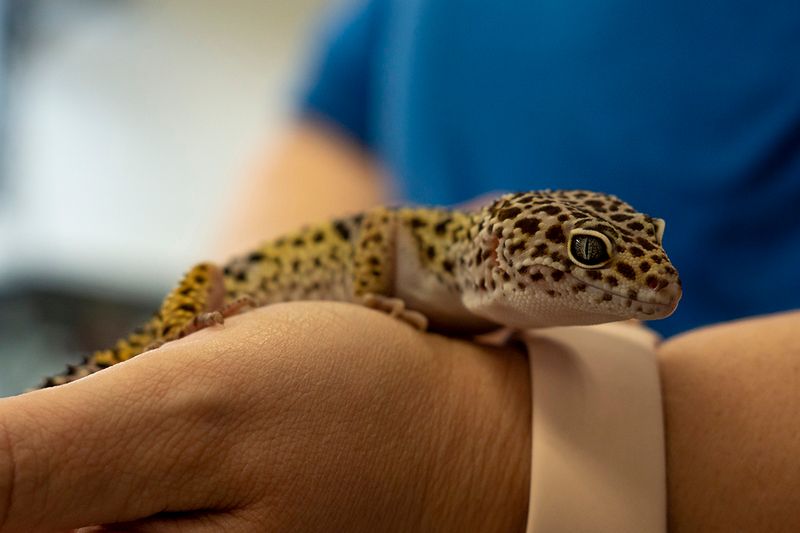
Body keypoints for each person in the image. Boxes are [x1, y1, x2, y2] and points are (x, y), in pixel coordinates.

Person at [1, 1, 799, 530]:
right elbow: (342, 118)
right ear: (498, 250)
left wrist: (483, 453)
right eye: (595, 259)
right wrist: (240, 394)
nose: (649, 277)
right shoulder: (436, 253)